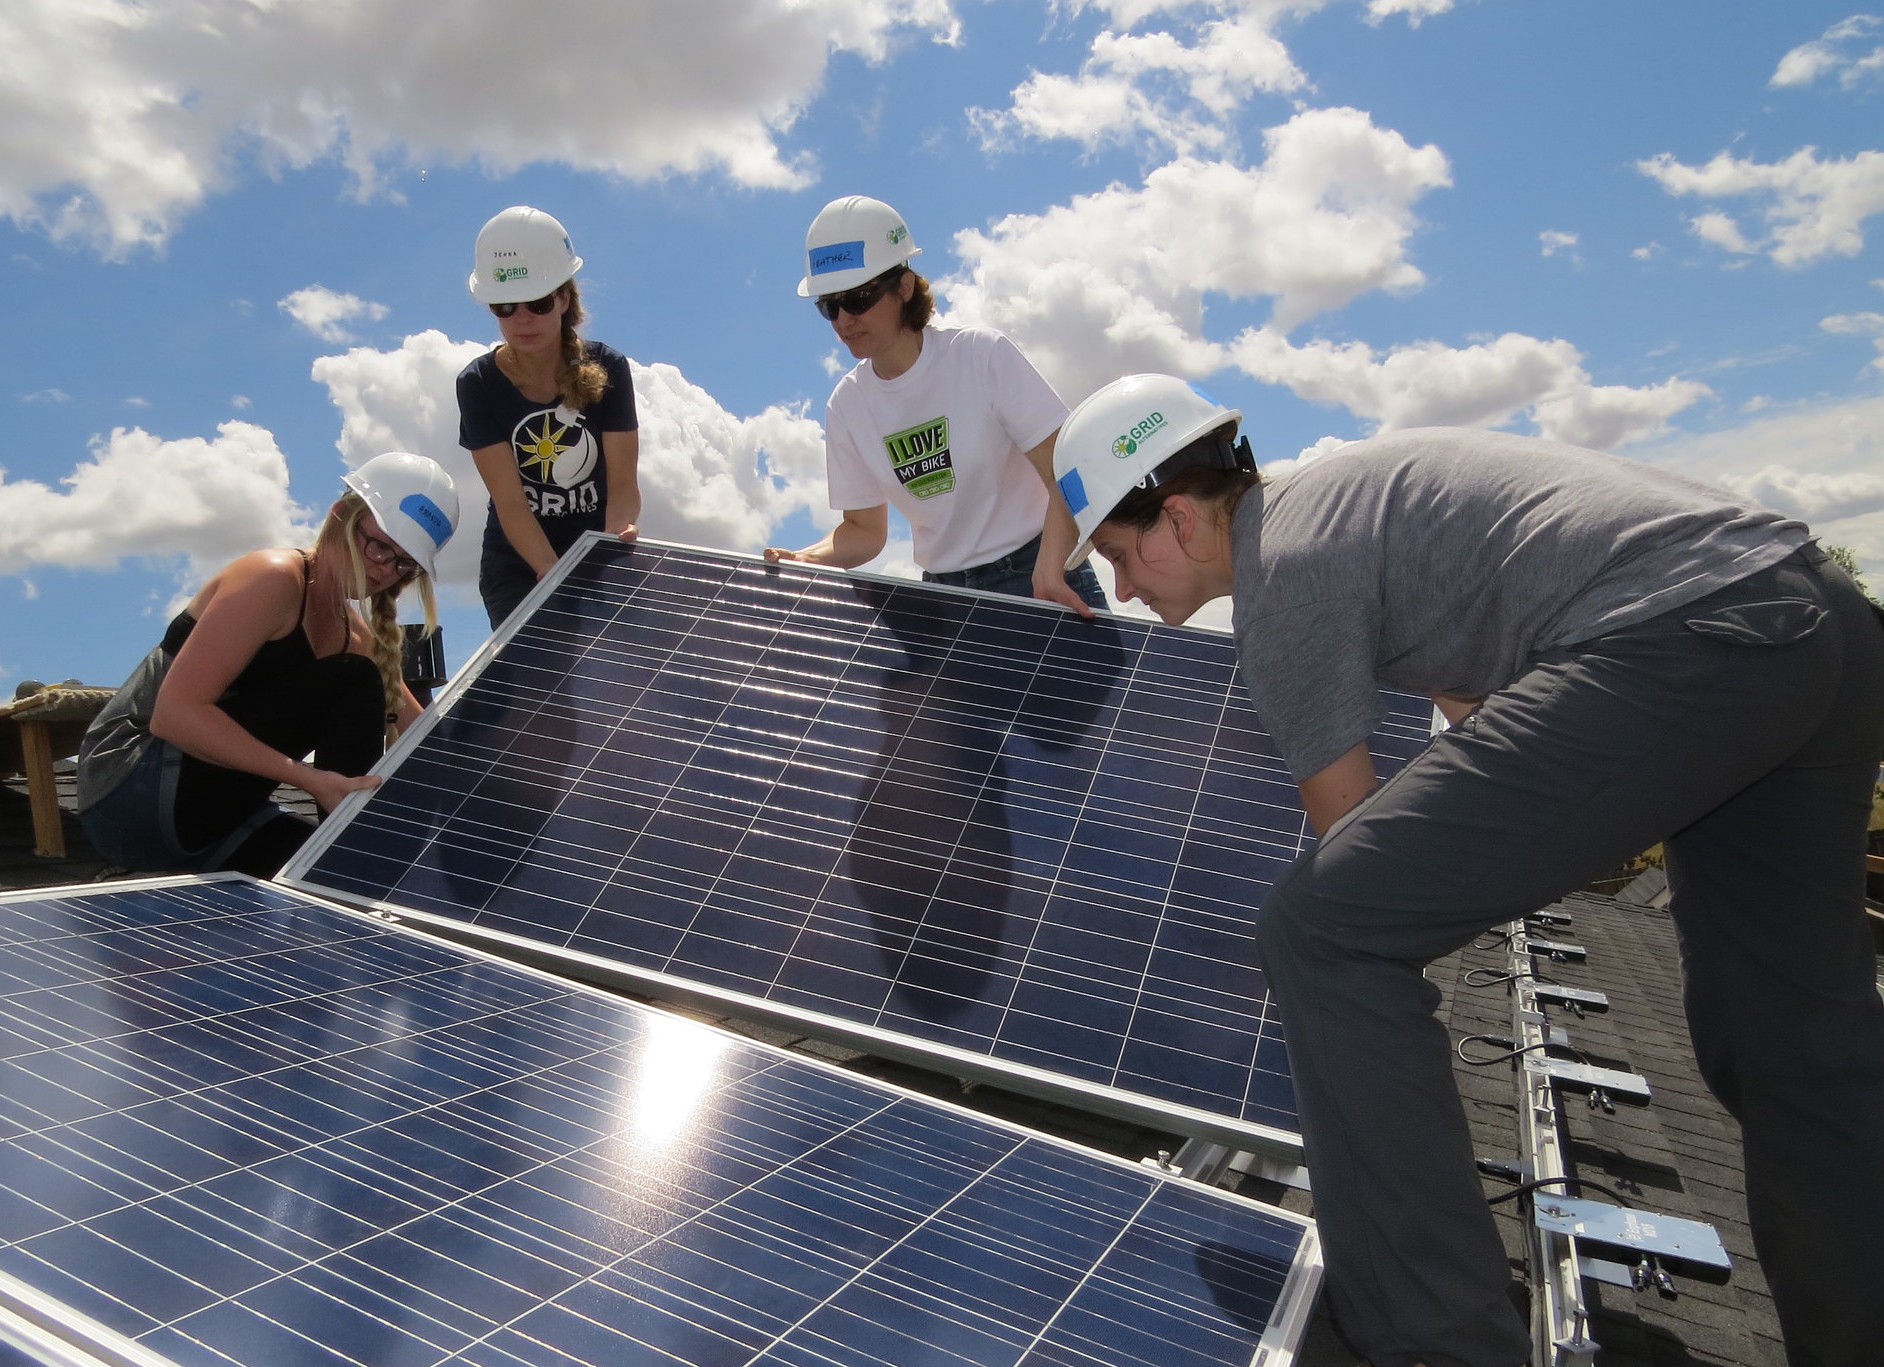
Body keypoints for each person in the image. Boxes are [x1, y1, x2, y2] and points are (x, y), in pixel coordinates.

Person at [1051, 374, 1884, 1367]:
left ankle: (1433, 1338)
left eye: (1113, 555)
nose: (1122, 589)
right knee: (1792, 1048)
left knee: (1319, 932)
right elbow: (1478, 692)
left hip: (1684, 640)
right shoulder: (1345, 498)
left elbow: (1359, 865)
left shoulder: (1282, 584)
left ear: (1176, 517)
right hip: (1812, 618)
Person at [78, 453, 460, 877]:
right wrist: (314, 781)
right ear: (339, 516)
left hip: (218, 822)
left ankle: (350, 856)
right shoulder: (272, 578)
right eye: (379, 545)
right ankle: (351, 842)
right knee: (353, 679)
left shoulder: (351, 634)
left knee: (338, 881)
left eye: (404, 563)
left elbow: (428, 740)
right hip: (131, 794)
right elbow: (174, 716)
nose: (385, 569)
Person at [764, 195, 1106, 611]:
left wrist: (1050, 568)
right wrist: (804, 560)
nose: (843, 321)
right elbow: (864, 531)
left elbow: (1065, 473)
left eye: (857, 299)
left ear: (904, 288)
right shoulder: (847, 405)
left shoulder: (982, 356)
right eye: (829, 306)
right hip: (944, 597)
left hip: (1037, 570)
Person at [457, 205, 640, 627]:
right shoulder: (477, 383)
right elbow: (510, 504)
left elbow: (624, 485)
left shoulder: (610, 367)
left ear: (563, 298)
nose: (521, 319)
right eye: (504, 306)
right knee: (539, 685)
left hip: (598, 554)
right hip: (519, 566)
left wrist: (610, 549)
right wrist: (552, 572)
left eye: (537, 303)